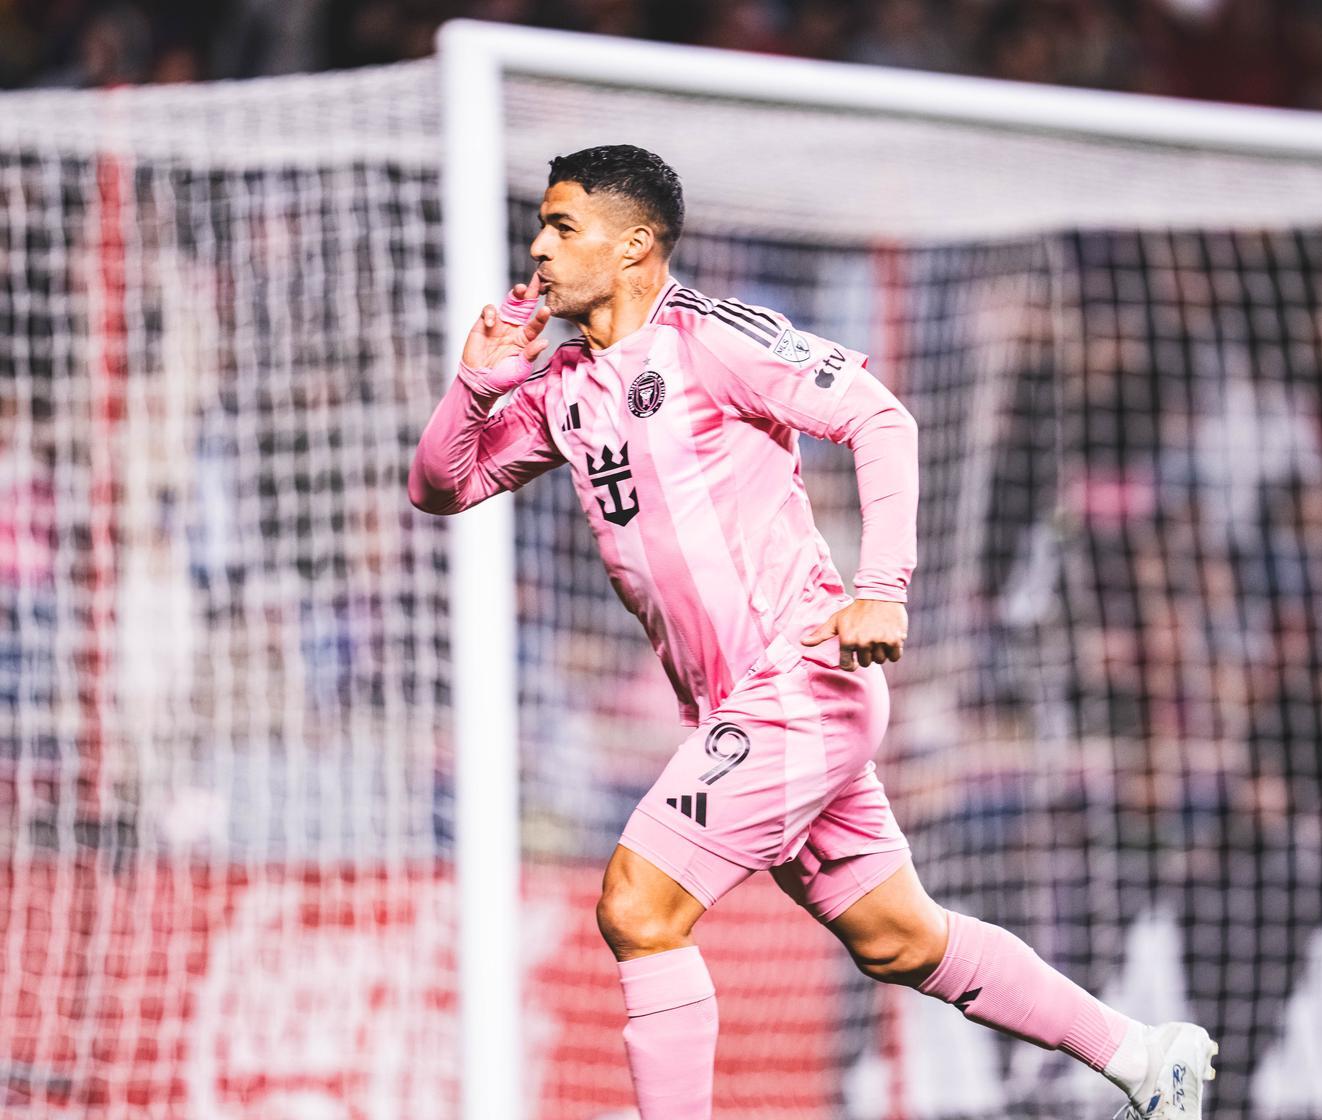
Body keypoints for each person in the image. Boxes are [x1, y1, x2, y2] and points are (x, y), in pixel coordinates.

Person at [408, 144, 1216, 1119]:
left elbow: (883, 421)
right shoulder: (565, 385)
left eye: (562, 226)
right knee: (900, 940)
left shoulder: (710, 338)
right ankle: (1143, 1055)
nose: (537, 248)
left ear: (635, 246)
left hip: (804, 682)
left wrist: (883, 586)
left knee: (637, 904)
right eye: (539, 224)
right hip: (737, 705)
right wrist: (477, 386)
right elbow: (444, 486)